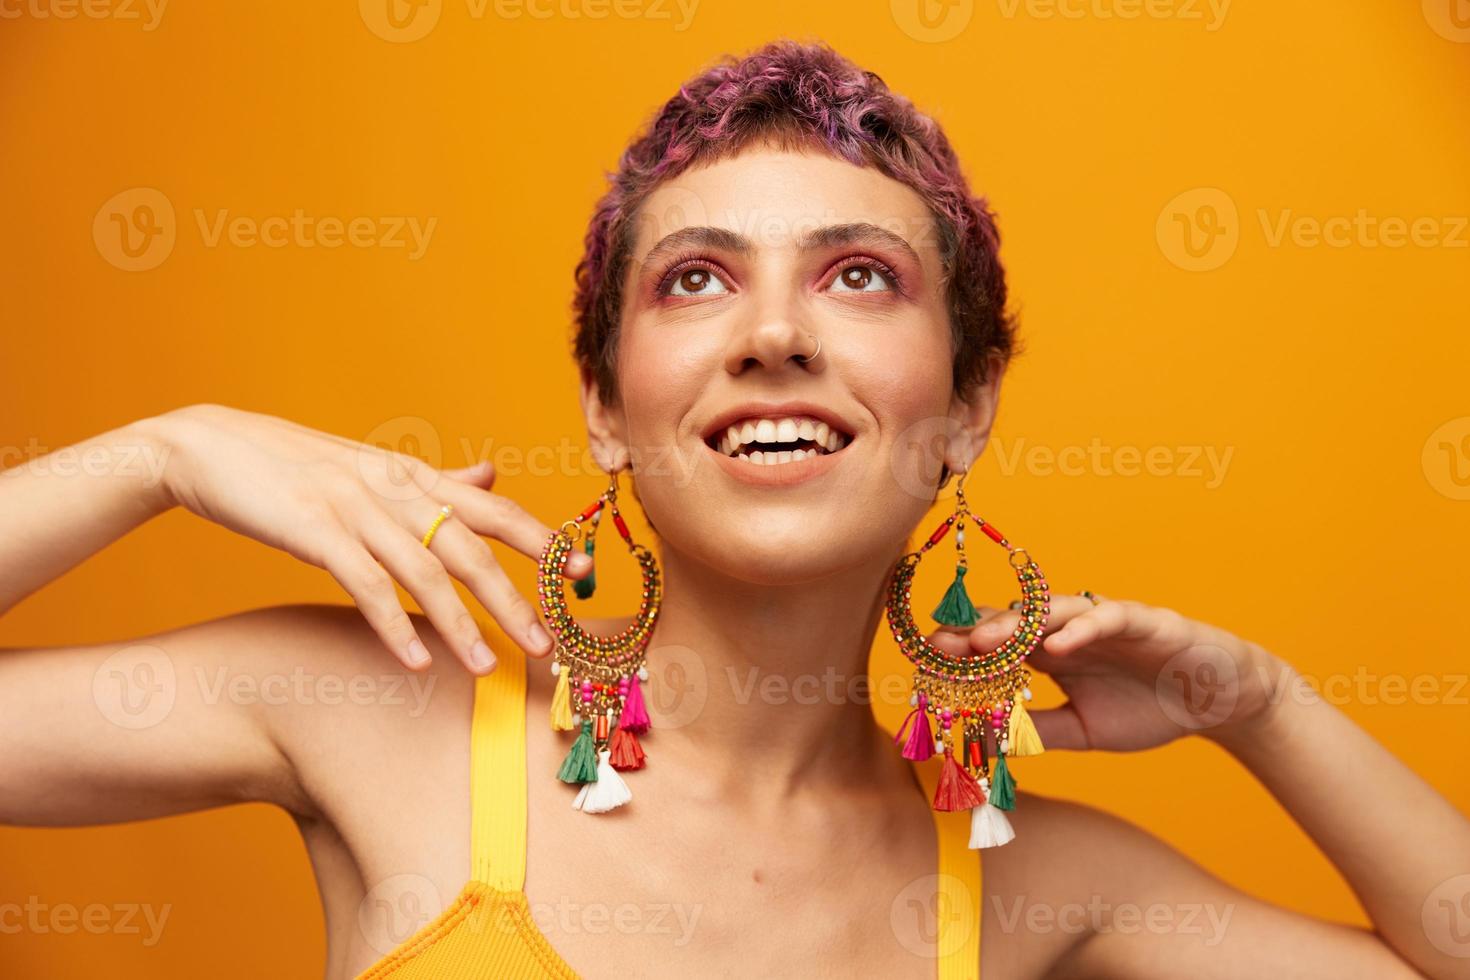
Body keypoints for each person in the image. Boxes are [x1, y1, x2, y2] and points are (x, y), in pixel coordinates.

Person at [2, 40, 1465, 979]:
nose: (770, 334)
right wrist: (163, 454)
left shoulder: (1033, 884)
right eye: (693, 278)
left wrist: (1255, 703)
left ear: (967, 404)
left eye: (857, 276)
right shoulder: (366, 710)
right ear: (604, 401)